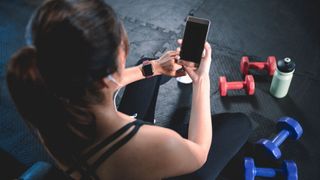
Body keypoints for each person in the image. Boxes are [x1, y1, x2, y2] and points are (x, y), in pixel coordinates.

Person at [6, 0, 252, 179]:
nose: (126, 49)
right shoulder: (157, 143)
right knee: (239, 124)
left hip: (99, 159)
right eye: (122, 49)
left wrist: (153, 68)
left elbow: (107, 81)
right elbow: (199, 154)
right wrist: (201, 81)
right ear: (104, 80)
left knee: (146, 64)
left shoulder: (44, 98)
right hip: (137, 159)